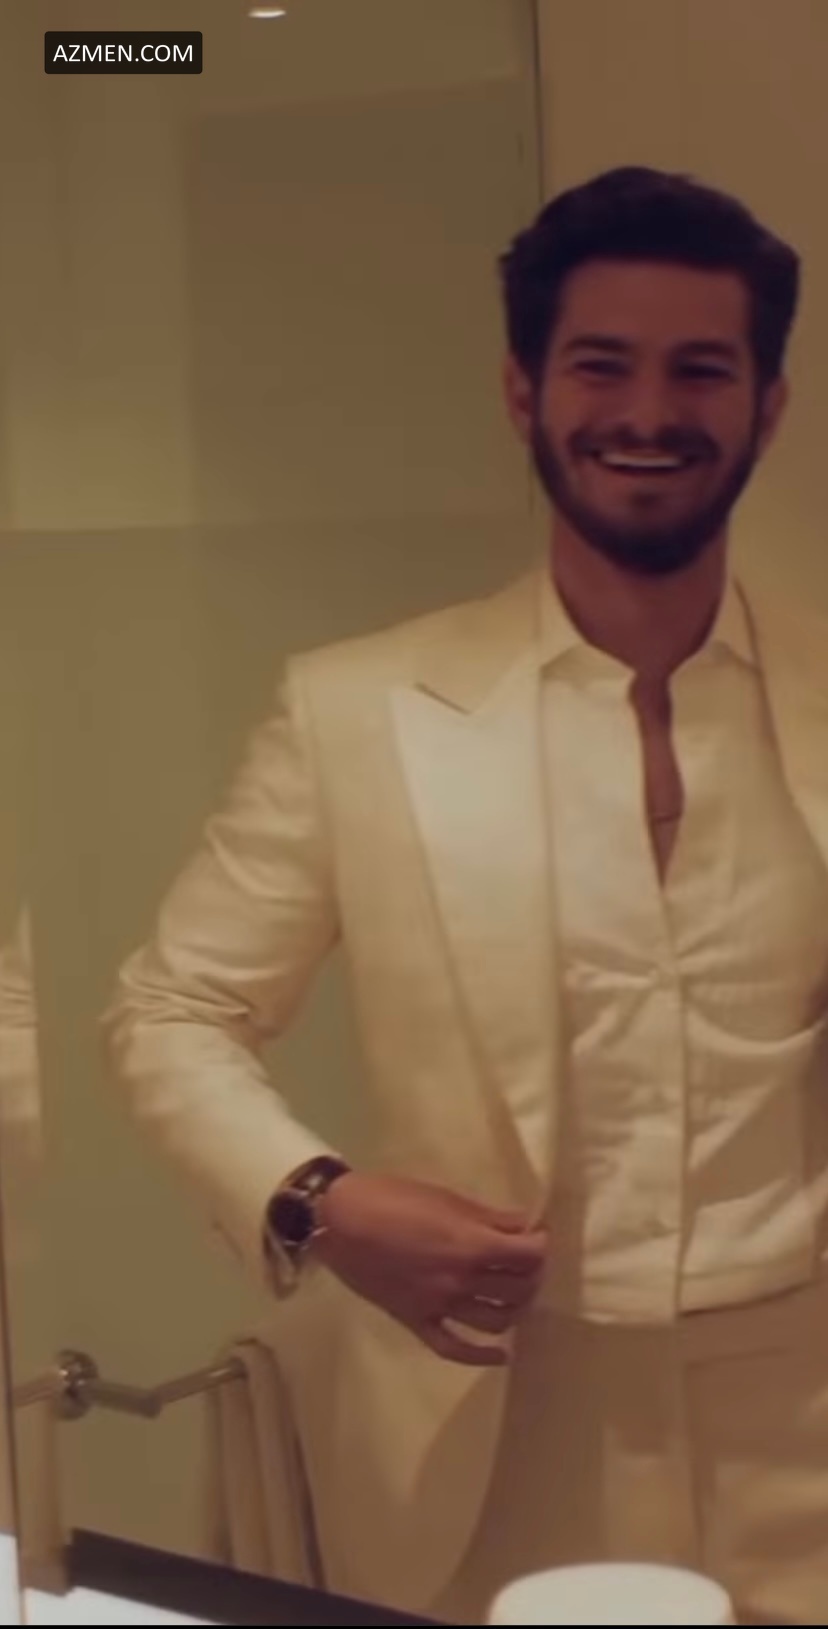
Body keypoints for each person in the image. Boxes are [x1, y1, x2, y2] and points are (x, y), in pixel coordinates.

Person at [104, 167, 828, 1625]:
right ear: (522, 391)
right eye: (600, 363)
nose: (648, 411)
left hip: (804, 1410)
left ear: (767, 406)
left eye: (701, 368)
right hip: (491, 1421)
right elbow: (171, 1009)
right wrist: (317, 1201)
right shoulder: (358, 709)